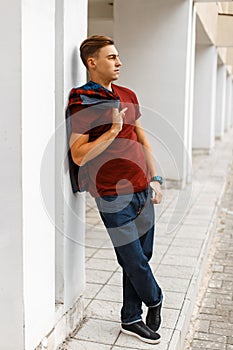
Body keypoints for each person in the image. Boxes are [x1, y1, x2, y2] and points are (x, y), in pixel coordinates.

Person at [66, 35, 163, 345]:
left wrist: (156, 179)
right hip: (111, 193)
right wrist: (112, 130)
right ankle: (156, 297)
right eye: (111, 57)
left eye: (118, 56)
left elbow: (143, 140)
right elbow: (78, 154)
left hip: (142, 188)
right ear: (92, 62)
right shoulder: (81, 99)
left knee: (142, 256)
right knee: (132, 258)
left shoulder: (128, 94)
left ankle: (131, 318)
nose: (119, 62)